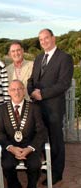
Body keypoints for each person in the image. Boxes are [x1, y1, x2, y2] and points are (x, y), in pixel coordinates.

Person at [27, 28, 74, 185]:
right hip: (37, 107)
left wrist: (43, 94)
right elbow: (32, 79)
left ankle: (56, 173)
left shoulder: (65, 58)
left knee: (55, 141)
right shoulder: (39, 58)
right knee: (39, 138)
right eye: (41, 40)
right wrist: (31, 91)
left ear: (53, 38)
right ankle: (42, 166)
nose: (44, 41)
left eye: (46, 38)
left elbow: (64, 83)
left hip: (54, 108)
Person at [0, 80, 47, 188]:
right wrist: (11, 148)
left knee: (34, 165)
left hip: (30, 146)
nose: (17, 92)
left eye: (19, 89)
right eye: (13, 89)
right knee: (7, 165)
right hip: (11, 147)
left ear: (24, 91)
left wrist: (30, 148)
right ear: (9, 92)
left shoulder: (34, 108)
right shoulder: (1, 109)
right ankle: (15, 186)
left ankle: (31, 186)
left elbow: (41, 132)